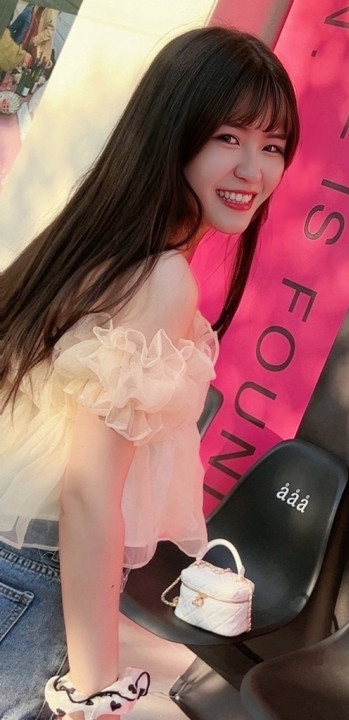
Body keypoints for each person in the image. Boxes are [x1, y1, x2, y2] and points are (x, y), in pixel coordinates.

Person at [0, 25, 300, 720]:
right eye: (228, 137)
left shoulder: (94, 240)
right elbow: (89, 493)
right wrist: (95, 685)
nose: (253, 170)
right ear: (174, 132)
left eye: (273, 146)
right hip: (31, 573)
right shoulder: (161, 278)